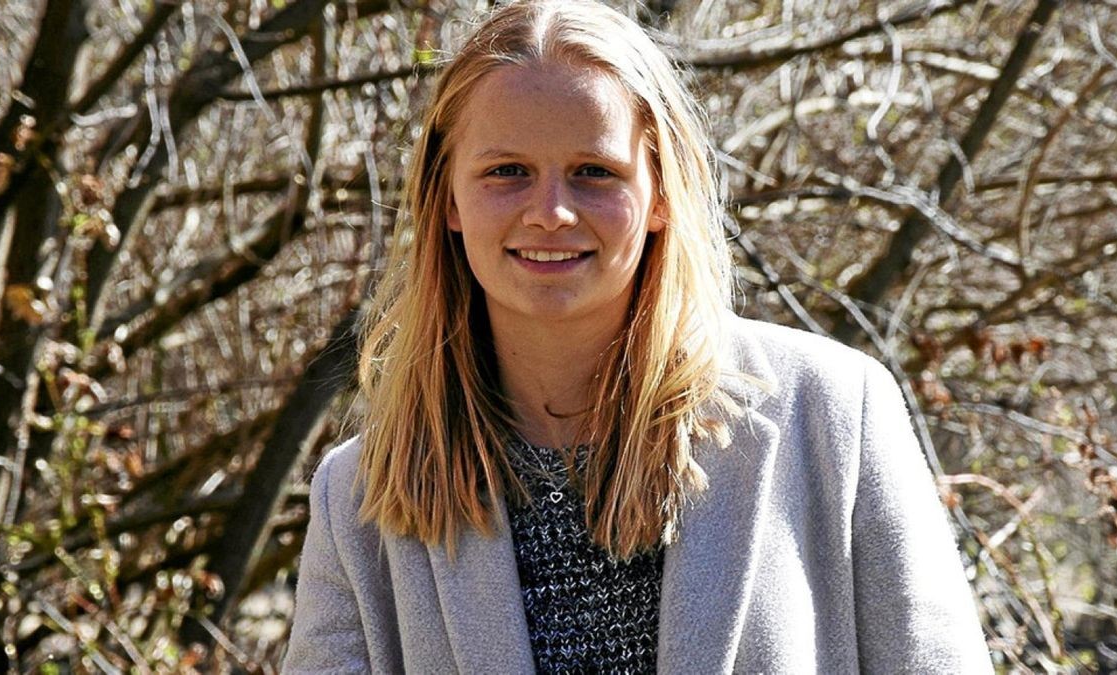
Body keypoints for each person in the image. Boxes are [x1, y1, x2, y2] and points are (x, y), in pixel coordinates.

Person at [283, 0, 992, 672]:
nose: (551, 212)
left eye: (595, 172)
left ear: (660, 193)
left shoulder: (833, 414)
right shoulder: (359, 497)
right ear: (448, 200)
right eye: (507, 172)